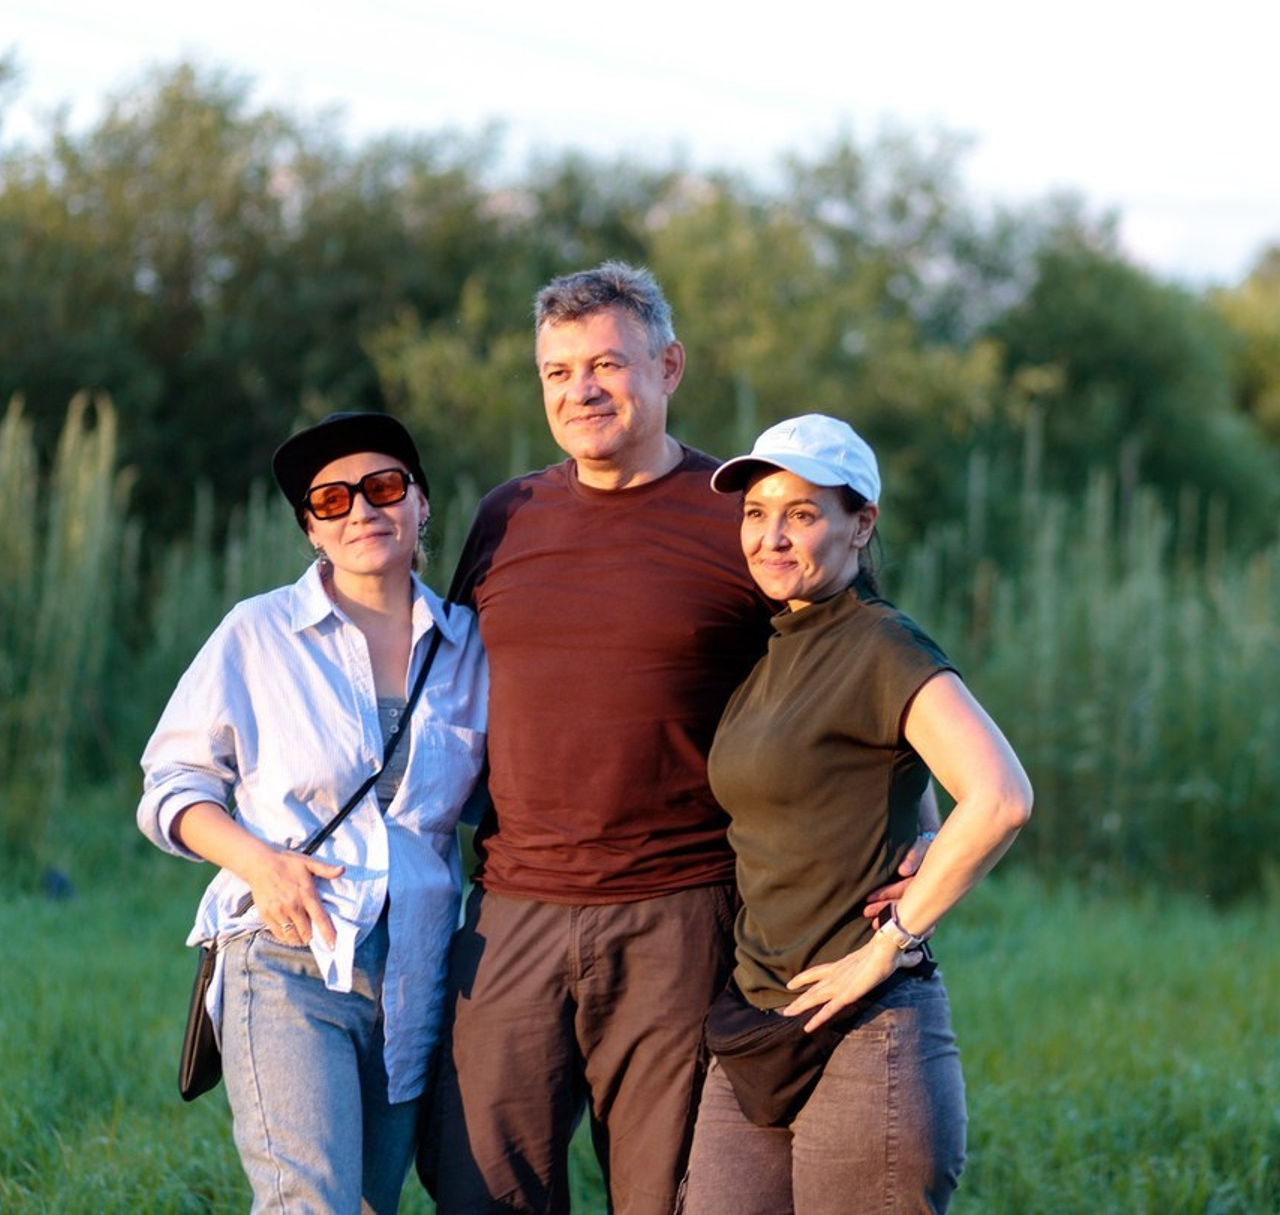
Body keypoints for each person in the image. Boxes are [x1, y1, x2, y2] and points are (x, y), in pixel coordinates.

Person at [425, 264, 936, 1215]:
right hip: (510, 910)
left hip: (680, 911)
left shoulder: (740, 514)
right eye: (556, 371)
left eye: (607, 364)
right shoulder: (507, 516)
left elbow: (854, 667)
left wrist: (924, 821)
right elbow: (446, 692)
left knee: (661, 1195)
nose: (581, 390)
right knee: (478, 1189)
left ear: (669, 366)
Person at [681, 413, 1034, 1214]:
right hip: (756, 1023)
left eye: (802, 514)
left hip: (864, 1031)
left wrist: (890, 946)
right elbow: (892, 770)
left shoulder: (882, 644)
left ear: (860, 524)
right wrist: (927, 824)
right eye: (756, 513)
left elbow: (1004, 796)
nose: (771, 537)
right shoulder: (775, 648)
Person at [138, 411, 487, 1213]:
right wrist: (259, 865)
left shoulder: (470, 645)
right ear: (312, 529)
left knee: (369, 1203)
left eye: (384, 487)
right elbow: (172, 784)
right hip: (289, 951)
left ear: (421, 504)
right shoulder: (259, 633)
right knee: (311, 1203)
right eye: (332, 501)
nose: (362, 510)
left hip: (417, 971)